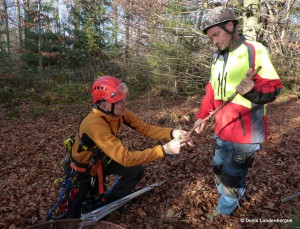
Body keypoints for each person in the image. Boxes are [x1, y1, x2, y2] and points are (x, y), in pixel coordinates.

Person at [193, 7, 282, 220]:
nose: (213, 41)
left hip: (246, 132)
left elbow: (274, 89)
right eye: (210, 37)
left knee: (232, 175)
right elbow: (212, 89)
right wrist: (201, 115)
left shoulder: (254, 49)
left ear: (230, 26)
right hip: (221, 128)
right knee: (217, 167)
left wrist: (252, 91)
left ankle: (223, 212)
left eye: (216, 35)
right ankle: (226, 196)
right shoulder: (217, 57)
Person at [67, 75, 193, 218]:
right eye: (118, 101)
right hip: (83, 170)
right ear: (104, 105)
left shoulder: (118, 112)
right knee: (74, 214)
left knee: (135, 171)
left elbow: (145, 128)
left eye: (123, 99)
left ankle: (111, 202)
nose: (124, 104)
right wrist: (164, 150)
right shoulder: (95, 124)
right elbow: (125, 158)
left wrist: (172, 132)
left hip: (102, 159)